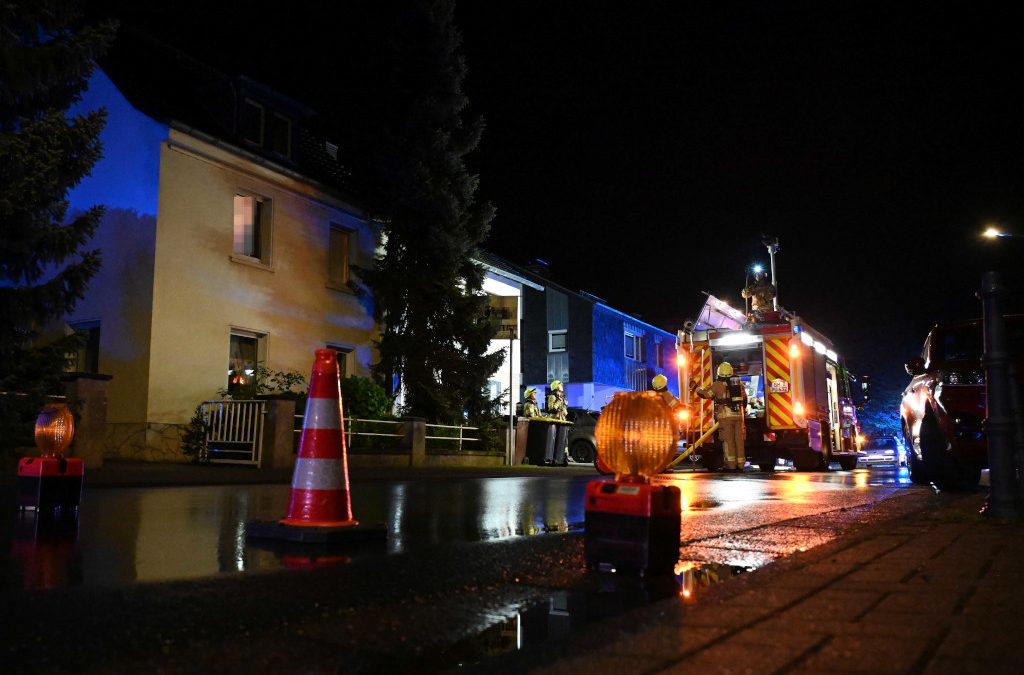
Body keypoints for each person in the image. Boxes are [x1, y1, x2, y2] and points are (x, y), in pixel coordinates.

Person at [691, 361, 747, 471]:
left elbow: (705, 395)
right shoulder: (739, 385)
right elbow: (745, 400)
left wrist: (695, 388)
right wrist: (742, 412)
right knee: (739, 441)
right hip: (739, 417)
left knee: (728, 441)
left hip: (726, 417)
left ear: (719, 373)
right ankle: (740, 465)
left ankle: (730, 466)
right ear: (731, 372)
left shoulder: (717, 385)